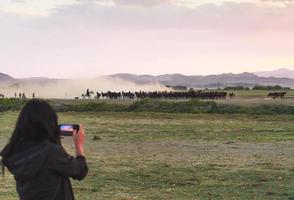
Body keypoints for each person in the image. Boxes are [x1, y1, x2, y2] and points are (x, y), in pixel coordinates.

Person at [0, 99, 88, 200]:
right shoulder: (51, 152)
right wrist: (79, 145)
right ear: (48, 124)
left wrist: (53, 142)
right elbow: (80, 171)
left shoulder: (13, 150)